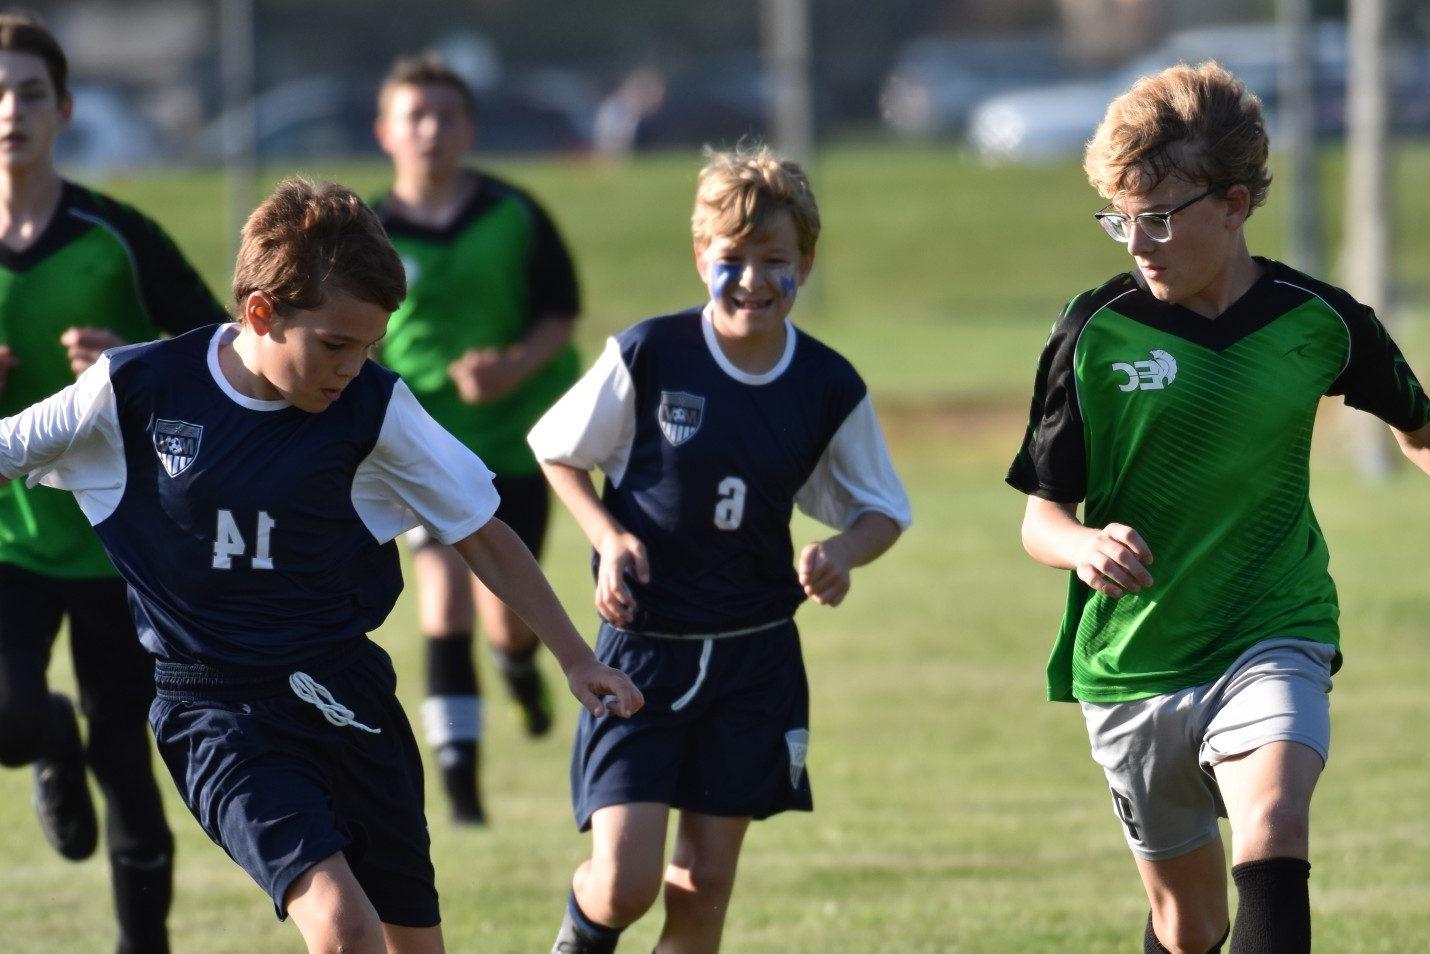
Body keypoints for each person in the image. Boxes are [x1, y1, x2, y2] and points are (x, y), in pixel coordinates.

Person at [1005, 62, 1430, 954]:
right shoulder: (1095, 329)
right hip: (1133, 660)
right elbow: (1040, 518)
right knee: (1187, 925)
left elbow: (1426, 433)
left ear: (1235, 206)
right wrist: (1081, 544)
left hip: (1273, 627)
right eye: (1120, 219)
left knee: (1273, 828)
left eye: (1158, 219)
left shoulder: (1318, 320)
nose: (1137, 244)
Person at [0, 177, 643, 954]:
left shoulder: (372, 407)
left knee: (411, 945)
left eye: (368, 346)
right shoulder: (137, 389)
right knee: (342, 930)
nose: (351, 366)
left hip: (347, 696)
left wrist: (576, 658)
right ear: (262, 312)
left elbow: (482, 530)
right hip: (217, 713)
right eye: (336, 344)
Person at [530, 147, 910, 954]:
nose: (752, 281)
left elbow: (883, 510)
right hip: (643, 654)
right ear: (701, 256)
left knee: (702, 890)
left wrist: (842, 551)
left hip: (751, 659)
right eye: (731, 260)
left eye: (775, 262)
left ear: (805, 261)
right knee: (627, 882)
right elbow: (557, 450)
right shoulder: (650, 353)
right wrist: (609, 532)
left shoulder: (825, 384)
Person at [0, 13, 229, 952]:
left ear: (64, 110)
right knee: (11, 722)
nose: (9, 110)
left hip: (118, 543)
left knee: (128, 758)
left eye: (29, 93)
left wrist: (129, 359)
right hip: (8, 539)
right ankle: (43, 738)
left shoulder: (117, 233)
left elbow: (225, 349)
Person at [371, 53, 586, 825]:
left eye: (445, 116)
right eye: (413, 116)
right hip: (422, 445)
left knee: (507, 617)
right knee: (445, 598)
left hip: (517, 439)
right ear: (385, 132)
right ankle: (460, 791)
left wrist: (513, 366)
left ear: (468, 128)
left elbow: (562, 312)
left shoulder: (514, 212)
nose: (430, 130)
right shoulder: (368, 233)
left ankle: (519, 668)